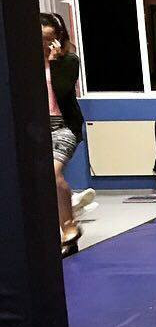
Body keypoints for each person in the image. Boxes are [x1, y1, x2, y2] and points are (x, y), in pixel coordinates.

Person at [40, 13, 84, 256]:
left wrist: (54, 62)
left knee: (53, 173)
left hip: (64, 126)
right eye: (41, 39)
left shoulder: (68, 61)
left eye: (50, 39)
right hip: (37, 128)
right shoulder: (24, 63)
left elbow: (63, 89)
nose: (46, 44)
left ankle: (69, 227)